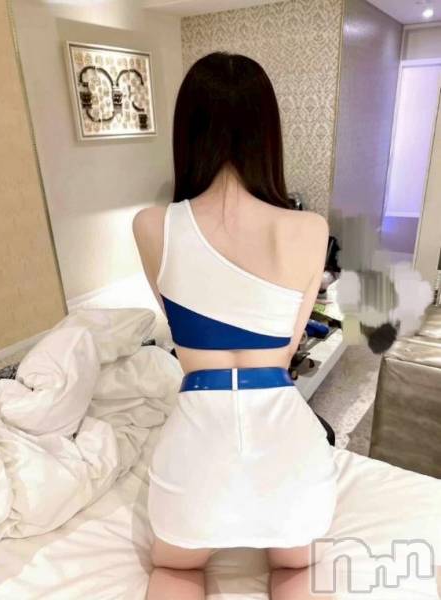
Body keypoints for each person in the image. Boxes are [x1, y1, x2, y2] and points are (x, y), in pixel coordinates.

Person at [132, 51, 338, 600]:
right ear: (267, 133)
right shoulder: (310, 228)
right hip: (287, 448)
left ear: (186, 131)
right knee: (296, 571)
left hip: (198, 447)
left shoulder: (151, 225)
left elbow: (181, 328)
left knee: (175, 571)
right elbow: (287, 351)